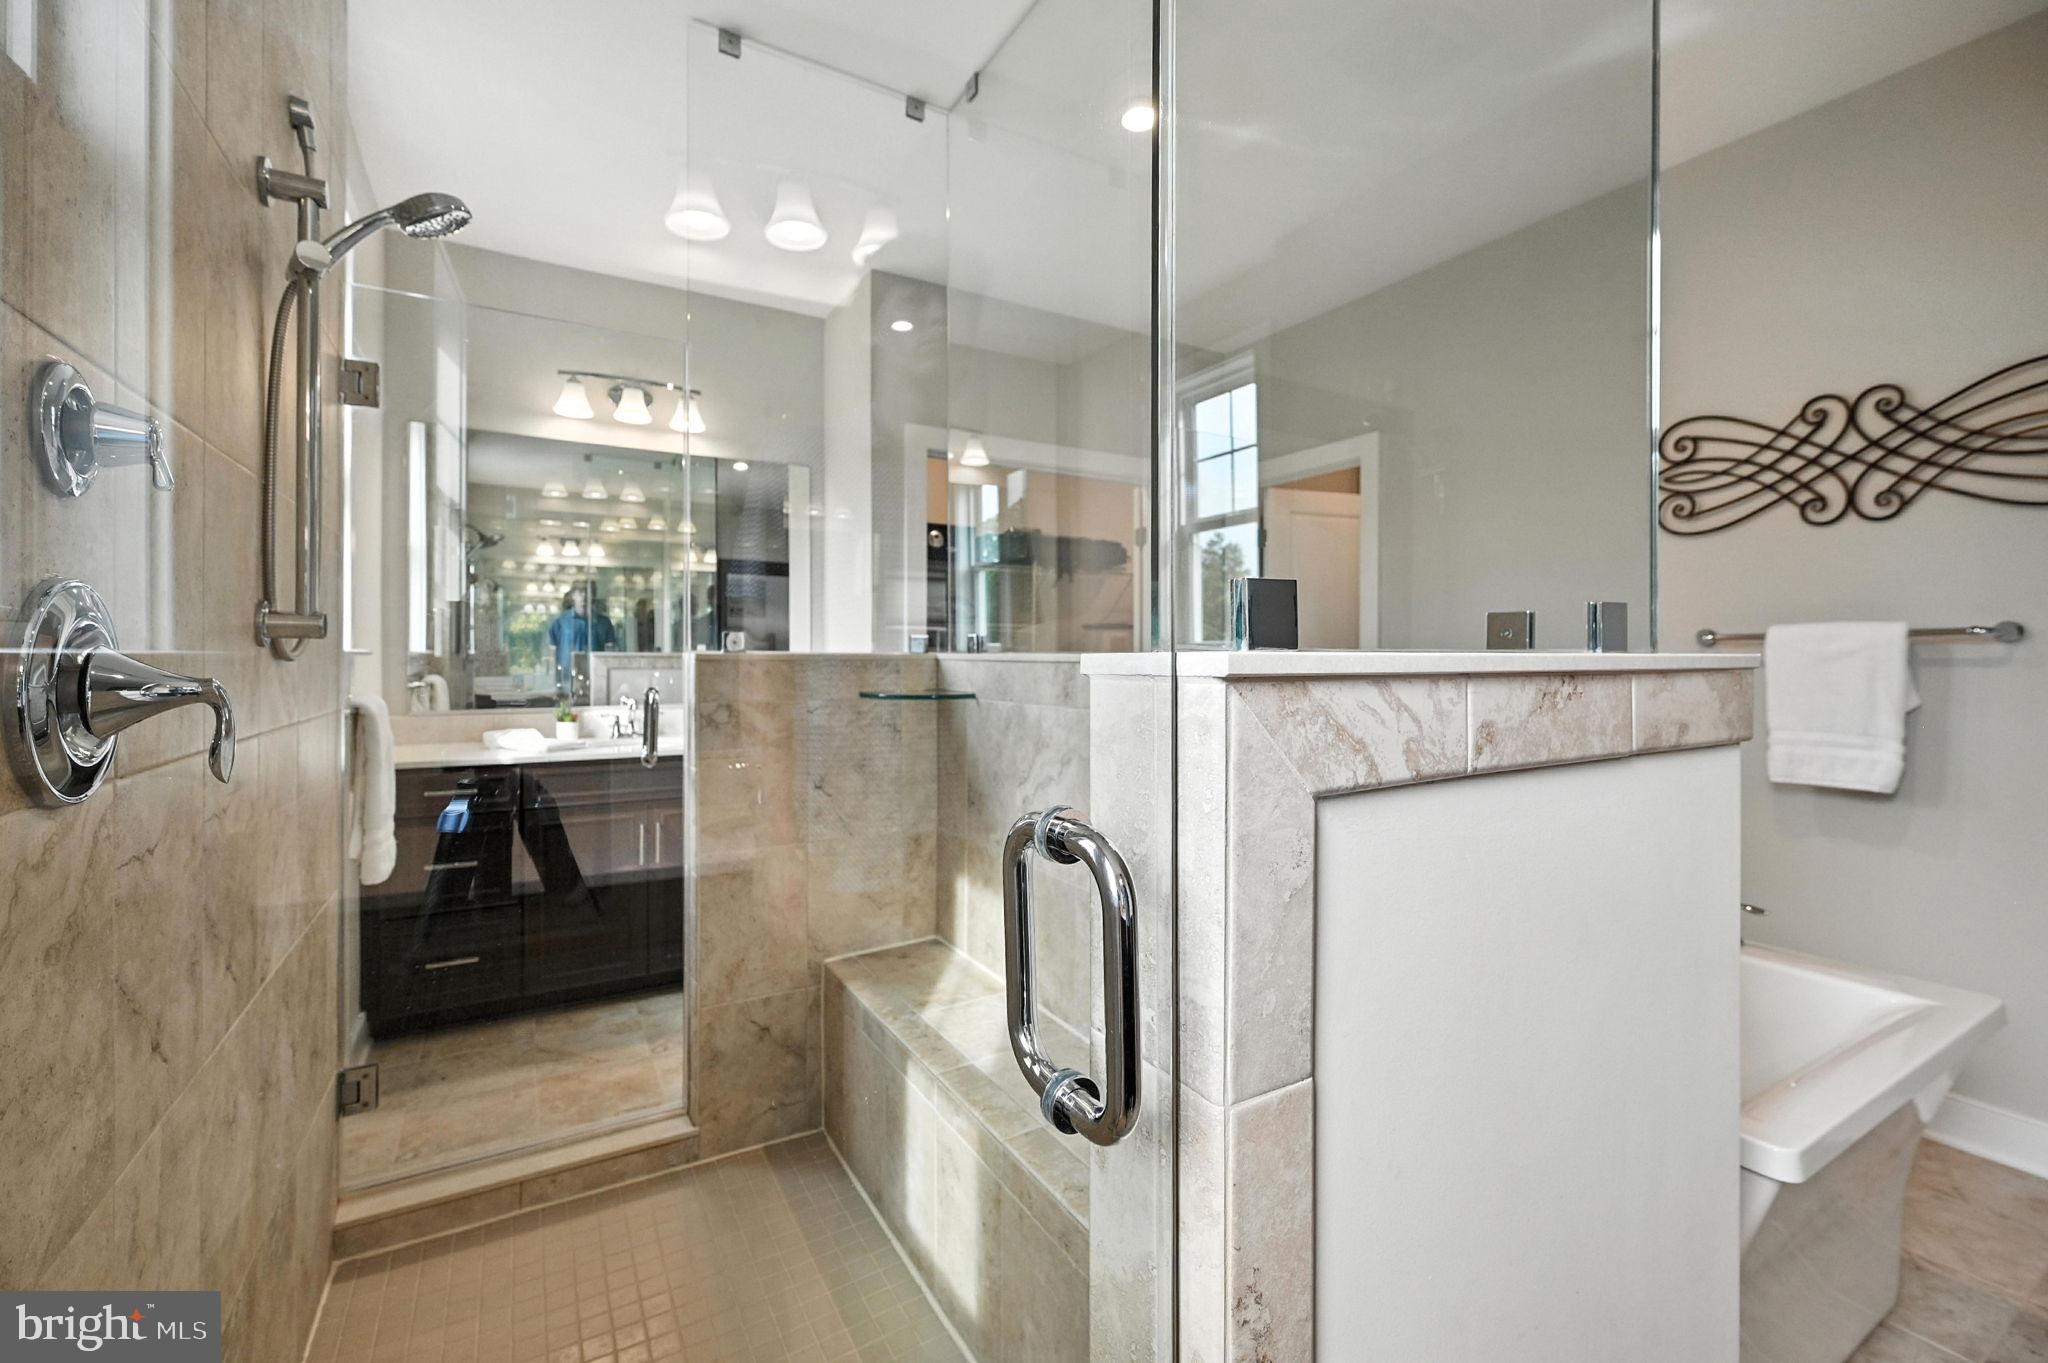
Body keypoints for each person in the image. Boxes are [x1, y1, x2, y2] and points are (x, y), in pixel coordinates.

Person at [545, 588, 616, 691]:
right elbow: (551, 653)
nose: (584, 596)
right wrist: (551, 678)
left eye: (587, 592)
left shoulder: (604, 623)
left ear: (593, 595)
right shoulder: (561, 622)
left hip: (596, 680)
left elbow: (610, 653)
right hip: (567, 681)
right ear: (573, 595)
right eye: (580, 592)